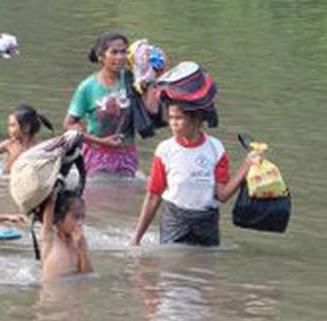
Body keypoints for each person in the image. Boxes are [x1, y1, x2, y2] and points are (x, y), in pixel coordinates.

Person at [131, 102, 262, 247]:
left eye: (179, 118)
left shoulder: (215, 149)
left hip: (206, 222)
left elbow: (223, 195)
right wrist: (136, 239)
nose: (173, 123)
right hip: (175, 220)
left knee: (205, 265)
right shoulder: (165, 150)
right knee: (171, 265)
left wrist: (247, 165)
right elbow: (153, 197)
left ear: (196, 120)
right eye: (171, 118)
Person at [64, 32, 160, 176]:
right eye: (114, 52)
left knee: (125, 195)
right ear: (101, 57)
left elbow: (152, 110)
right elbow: (69, 124)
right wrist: (101, 141)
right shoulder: (88, 87)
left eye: (123, 52)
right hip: (96, 155)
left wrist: (151, 78)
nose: (120, 57)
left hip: (127, 155)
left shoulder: (133, 80)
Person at [39, 190, 92, 280]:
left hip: (73, 292)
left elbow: (87, 276)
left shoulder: (80, 242)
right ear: (59, 219)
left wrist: (82, 251)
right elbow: (50, 204)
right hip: (51, 293)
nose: (80, 222)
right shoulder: (50, 238)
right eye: (76, 217)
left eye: (82, 217)